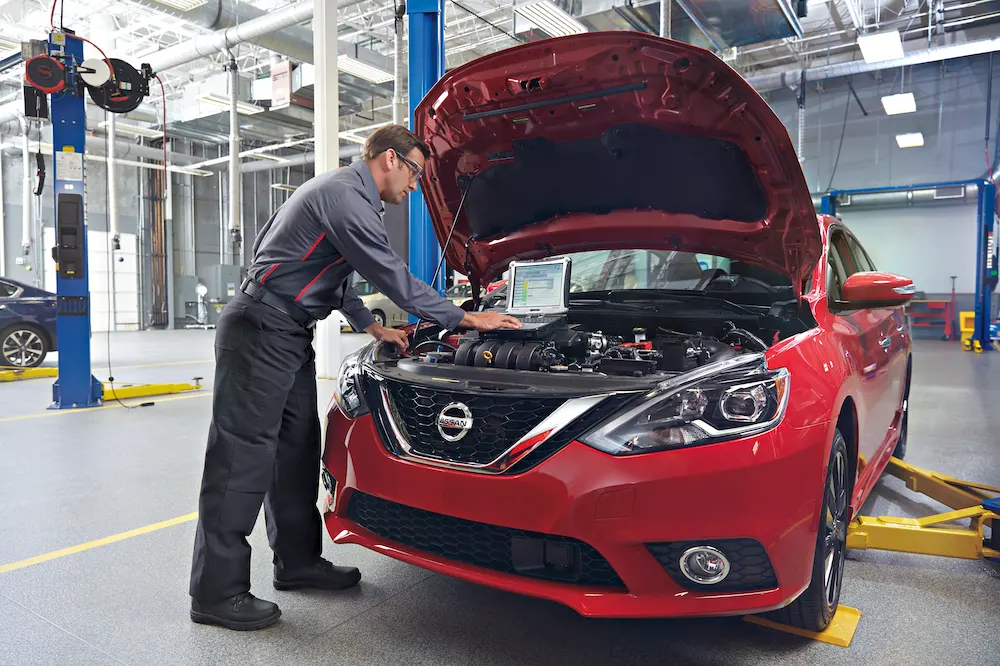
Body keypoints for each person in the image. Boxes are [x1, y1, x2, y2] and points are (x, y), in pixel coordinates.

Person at [189, 125, 521, 630]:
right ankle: (215, 592)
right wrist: (467, 318)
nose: (415, 186)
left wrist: (371, 326)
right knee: (241, 459)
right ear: (390, 158)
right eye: (414, 172)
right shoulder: (345, 195)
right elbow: (389, 273)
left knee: (296, 449)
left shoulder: (341, 196)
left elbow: (338, 274)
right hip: (261, 328)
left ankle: (297, 563)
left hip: (286, 330)